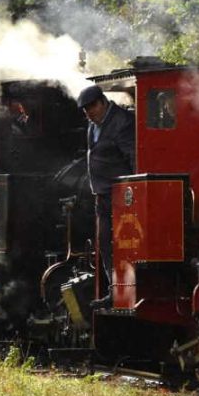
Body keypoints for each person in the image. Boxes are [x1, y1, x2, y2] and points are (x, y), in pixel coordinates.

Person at [77, 84, 135, 306]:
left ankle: (124, 292)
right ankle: (115, 291)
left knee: (121, 243)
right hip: (102, 195)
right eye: (85, 110)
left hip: (121, 194)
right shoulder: (93, 126)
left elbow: (133, 158)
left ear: (102, 102)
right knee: (105, 243)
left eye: (91, 107)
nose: (89, 113)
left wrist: (132, 192)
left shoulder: (122, 122)